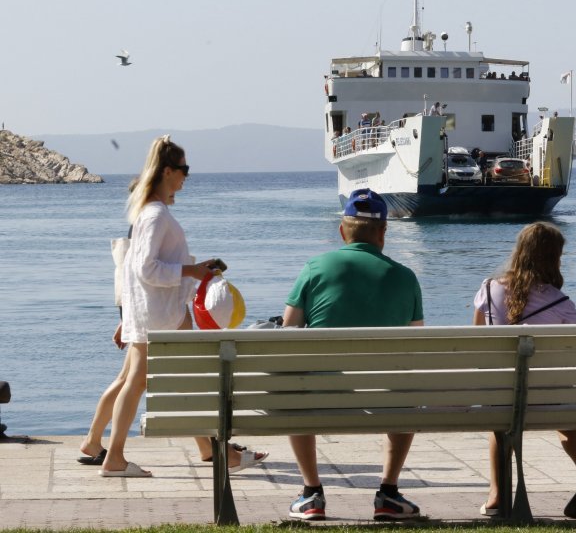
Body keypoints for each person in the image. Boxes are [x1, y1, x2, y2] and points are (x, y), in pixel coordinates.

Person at [98, 135, 265, 477]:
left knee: (173, 381)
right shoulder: (156, 215)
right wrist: (190, 270)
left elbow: (139, 268)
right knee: (142, 382)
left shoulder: (150, 212)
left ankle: (211, 449)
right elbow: (146, 269)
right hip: (160, 316)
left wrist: (194, 270)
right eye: (184, 169)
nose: (187, 176)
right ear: (169, 171)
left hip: (159, 312)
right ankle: (114, 457)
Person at [282, 188, 424, 521]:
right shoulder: (406, 277)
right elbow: (416, 343)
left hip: (321, 397)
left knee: (294, 387)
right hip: (387, 401)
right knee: (407, 388)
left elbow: (288, 333)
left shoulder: (315, 267)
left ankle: (311, 493)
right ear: (384, 233)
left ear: (342, 231)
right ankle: (388, 493)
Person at [473, 223, 576, 519]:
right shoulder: (563, 305)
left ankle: (496, 496)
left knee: (500, 421)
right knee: (564, 406)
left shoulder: (487, 288)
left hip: (502, 398)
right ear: (554, 259)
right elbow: (568, 358)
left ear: (519, 252)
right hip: (548, 397)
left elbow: (478, 343)